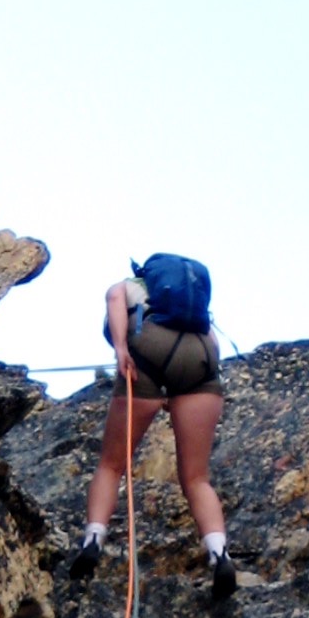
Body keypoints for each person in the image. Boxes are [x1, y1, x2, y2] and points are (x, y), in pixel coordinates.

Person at [70, 256, 236, 598]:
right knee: (196, 478)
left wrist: (121, 350)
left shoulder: (132, 286)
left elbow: (113, 298)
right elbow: (214, 347)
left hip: (147, 356)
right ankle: (219, 554)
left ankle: (93, 541)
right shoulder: (192, 310)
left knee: (112, 464)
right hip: (201, 361)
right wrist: (181, 391)